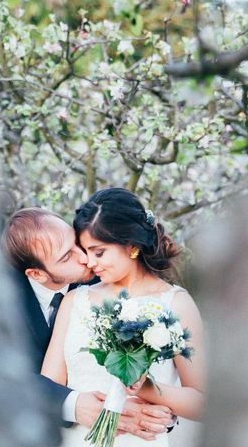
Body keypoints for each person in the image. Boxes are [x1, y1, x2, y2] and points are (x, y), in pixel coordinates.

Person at [41, 188, 206, 446]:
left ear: (130, 246)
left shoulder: (176, 303)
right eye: (85, 251)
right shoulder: (75, 301)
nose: (90, 262)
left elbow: (203, 400)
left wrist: (145, 387)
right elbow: (46, 388)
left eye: (99, 252)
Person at [2, 207, 174, 441]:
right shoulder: (1, 303)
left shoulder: (104, 275)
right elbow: (2, 378)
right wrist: (73, 404)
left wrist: (163, 414)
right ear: (37, 274)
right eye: (66, 257)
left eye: (76, 244)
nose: (84, 258)